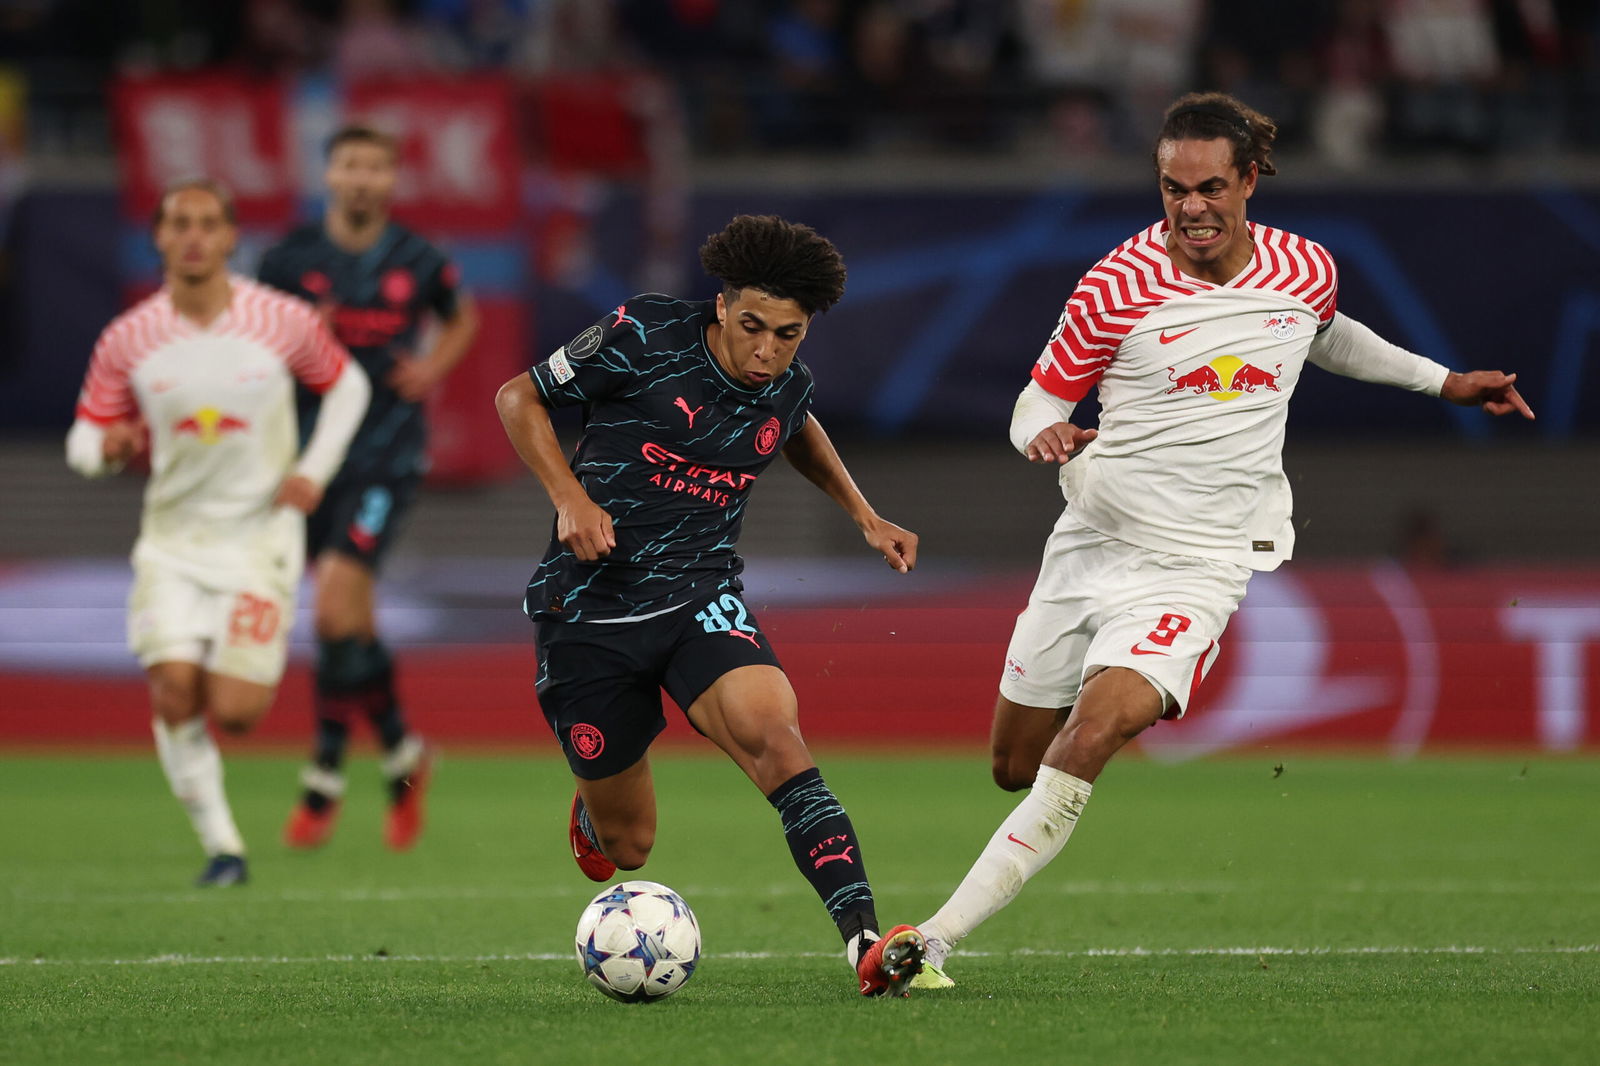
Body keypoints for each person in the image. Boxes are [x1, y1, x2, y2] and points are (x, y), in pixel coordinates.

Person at [910, 92, 1535, 988]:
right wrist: (1040, 434)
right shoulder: (1115, 284)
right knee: (1015, 765)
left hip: (1199, 566)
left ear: (1249, 182)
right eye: (1172, 188)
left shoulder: (1303, 268)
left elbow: (1327, 337)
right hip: (1090, 544)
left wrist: (1445, 382)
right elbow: (1039, 399)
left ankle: (931, 940)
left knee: (1089, 737)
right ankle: (984, 866)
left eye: (1209, 187)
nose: (1190, 207)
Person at [495, 215, 928, 997]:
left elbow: (795, 425)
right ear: (723, 307)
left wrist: (866, 514)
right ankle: (595, 814)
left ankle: (866, 941)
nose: (767, 351)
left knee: (778, 738)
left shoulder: (787, 382)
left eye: (788, 335)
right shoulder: (645, 332)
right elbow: (517, 396)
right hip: (590, 607)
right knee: (629, 845)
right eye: (753, 327)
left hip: (702, 596)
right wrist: (570, 497)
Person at [65, 180, 370, 886]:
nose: (194, 236)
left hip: (261, 543)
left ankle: (225, 815)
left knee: (234, 712)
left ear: (232, 237)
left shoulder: (281, 319)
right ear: (160, 239)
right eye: (179, 224)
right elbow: (85, 434)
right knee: (174, 689)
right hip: (172, 542)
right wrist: (102, 454)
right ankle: (224, 848)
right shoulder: (128, 338)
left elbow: (348, 386)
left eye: (208, 223)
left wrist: (315, 471)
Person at [258, 124, 479, 851]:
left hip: (385, 456)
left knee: (333, 605)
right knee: (346, 621)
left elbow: (462, 316)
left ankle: (323, 778)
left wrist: (432, 367)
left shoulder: (418, 260)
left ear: (390, 180)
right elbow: (252, 347)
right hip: (310, 460)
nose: (362, 179)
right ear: (330, 175)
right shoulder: (288, 260)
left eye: (376, 168)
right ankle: (403, 754)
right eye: (350, 165)